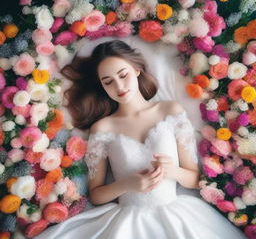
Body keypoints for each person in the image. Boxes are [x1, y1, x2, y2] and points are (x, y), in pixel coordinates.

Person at [35, 40, 247, 239]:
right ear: (102, 86)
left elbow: (194, 179)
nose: (119, 87)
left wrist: (172, 171)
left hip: (178, 214)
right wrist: (127, 184)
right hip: (127, 220)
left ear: (137, 70)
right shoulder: (103, 128)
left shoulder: (170, 110)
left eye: (123, 75)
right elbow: (96, 195)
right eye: (108, 82)